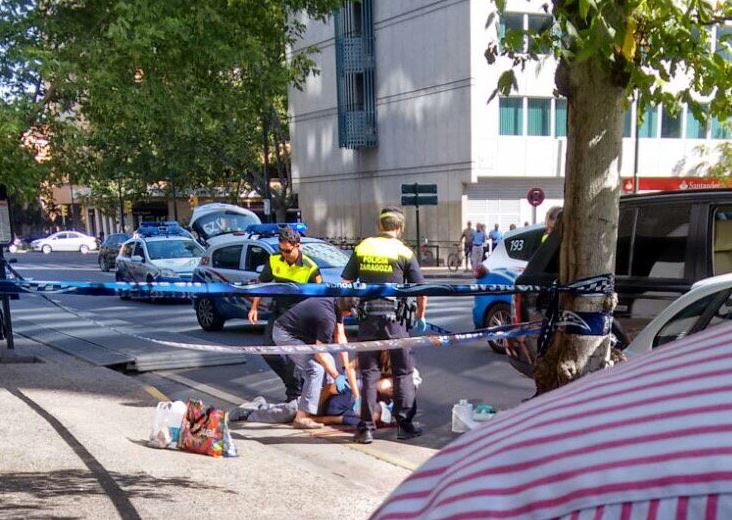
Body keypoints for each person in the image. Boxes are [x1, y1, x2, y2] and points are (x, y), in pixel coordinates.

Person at [341, 207, 427, 444]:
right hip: (395, 320)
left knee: (368, 374)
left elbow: (345, 282)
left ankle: (366, 428)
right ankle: (405, 425)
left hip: (368, 319)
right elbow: (421, 290)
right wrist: (420, 316)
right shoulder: (404, 252)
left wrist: (351, 307)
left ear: (380, 227)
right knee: (403, 372)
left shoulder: (363, 247)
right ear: (399, 228)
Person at [248, 227, 322, 402]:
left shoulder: (311, 268)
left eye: (288, 251)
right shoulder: (274, 260)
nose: (284, 254)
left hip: (300, 316)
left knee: (296, 356)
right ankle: (294, 386)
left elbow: (320, 297)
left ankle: (296, 394)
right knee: (268, 351)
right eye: (281, 250)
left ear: (298, 246)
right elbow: (261, 284)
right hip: (279, 312)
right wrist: (254, 307)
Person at [270, 296, 359, 429]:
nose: (350, 316)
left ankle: (317, 404)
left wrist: (345, 368)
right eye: (350, 313)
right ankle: (301, 417)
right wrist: (337, 376)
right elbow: (319, 353)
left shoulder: (336, 304)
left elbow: (340, 336)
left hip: (301, 335)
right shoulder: (327, 317)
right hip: (285, 334)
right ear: (345, 310)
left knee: (329, 362)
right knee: (315, 369)